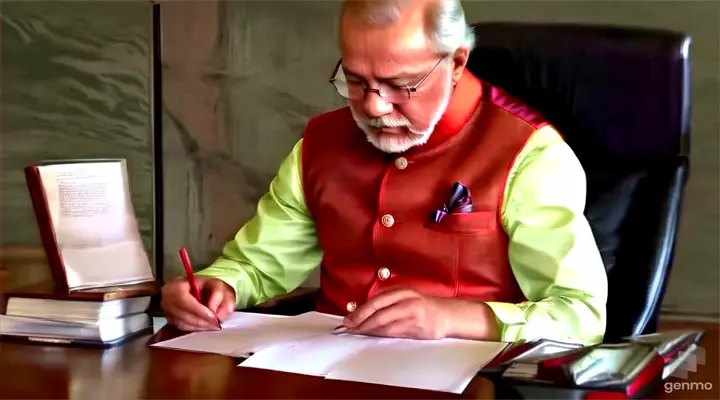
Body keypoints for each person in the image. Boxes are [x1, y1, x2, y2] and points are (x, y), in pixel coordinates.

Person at [161, 0, 608, 345]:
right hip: (324, 371)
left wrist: (452, 317)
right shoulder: (319, 144)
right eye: (355, 81)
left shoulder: (528, 155)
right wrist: (218, 286)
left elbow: (581, 317)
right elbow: (256, 265)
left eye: (401, 85)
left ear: (455, 63)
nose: (374, 107)